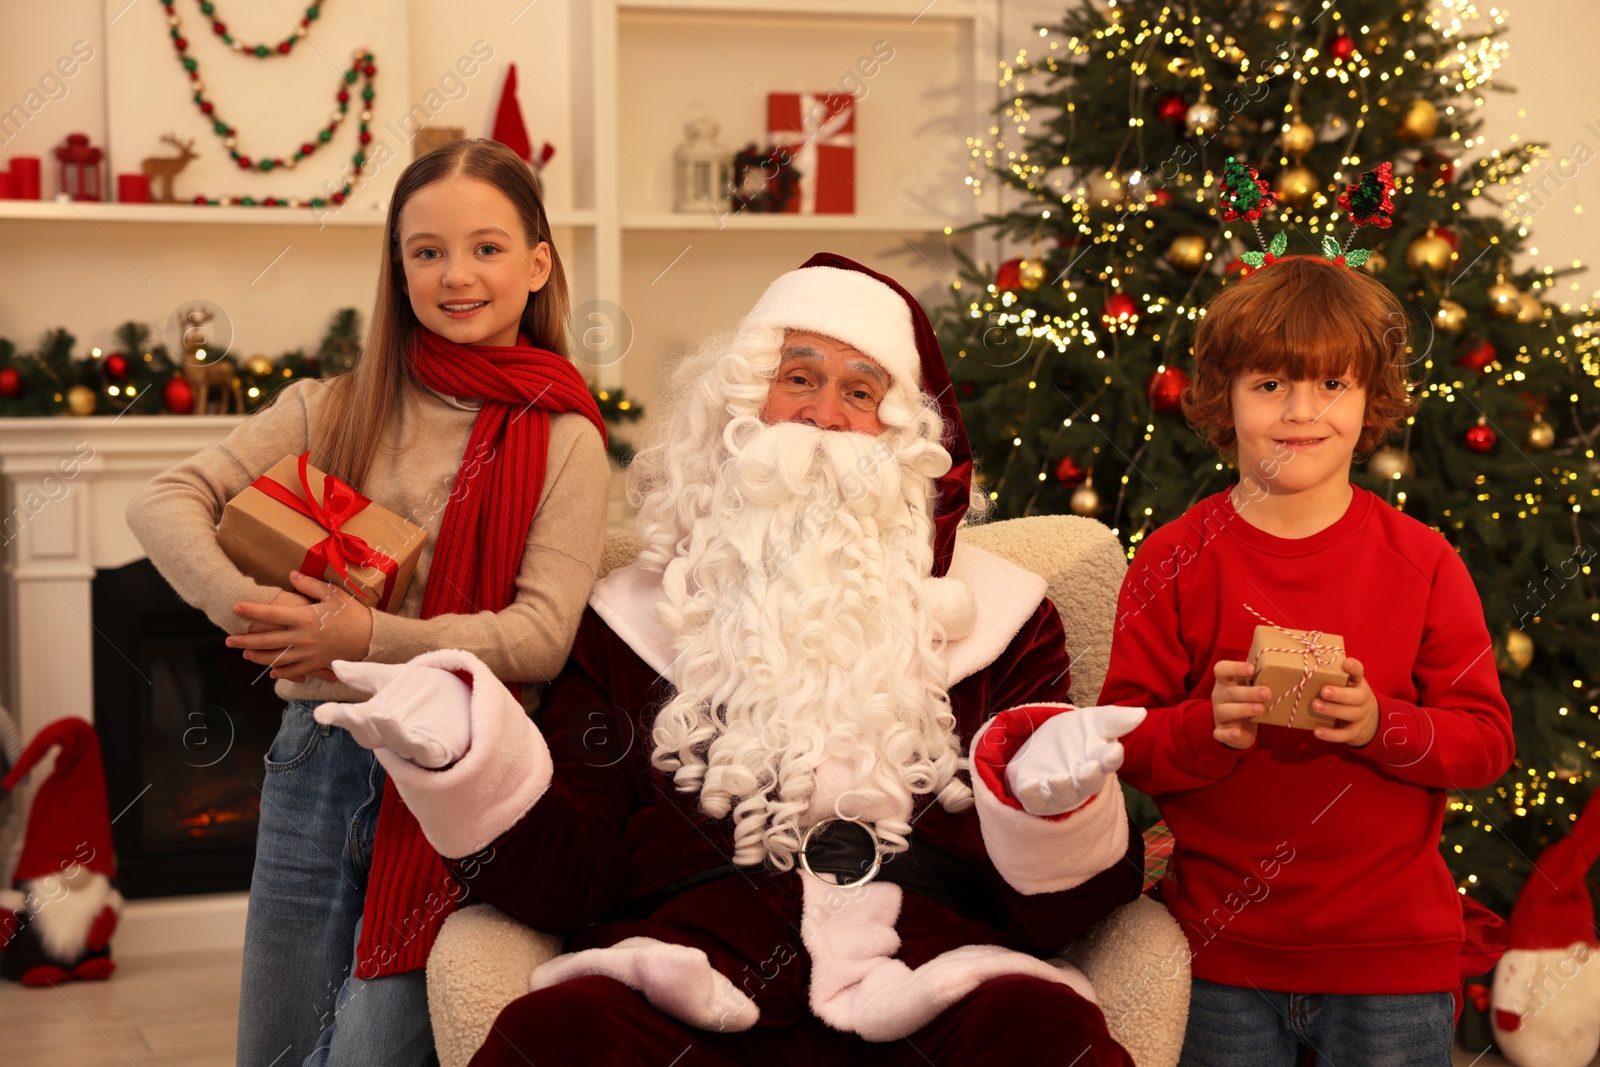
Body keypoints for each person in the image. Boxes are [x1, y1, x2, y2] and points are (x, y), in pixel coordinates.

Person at [315, 253, 1146, 1064]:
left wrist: (1055, 814)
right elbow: (569, 881)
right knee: (557, 1037)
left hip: (933, 974)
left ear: (906, 438)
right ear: (743, 401)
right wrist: (467, 759)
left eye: (861, 392)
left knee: (1046, 1034)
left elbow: (1060, 918)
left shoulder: (1008, 618)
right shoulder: (631, 621)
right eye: (800, 378)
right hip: (691, 977)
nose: (823, 414)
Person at [125, 138, 610, 1067]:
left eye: (487, 247)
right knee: (272, 1051)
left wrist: (364, 635)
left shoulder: (564, 440)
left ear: (538, 262)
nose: (455, 274)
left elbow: (541, 637)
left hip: (455, 780)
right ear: (399, 265)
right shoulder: (336, 404)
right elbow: (163, 500)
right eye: (425, 250)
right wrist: (267, 616)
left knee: (362, 1054)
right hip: (316, 757)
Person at [1100, 255, 1515, 1066]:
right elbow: (1124, 741)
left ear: (1373, 400)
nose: (1301, 412)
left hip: (1391, 960)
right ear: (1224, 397)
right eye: (1270, 386)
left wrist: (1379, 723)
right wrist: (1202, 728)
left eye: (1332, 384)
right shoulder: (1173, 559)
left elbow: (1486, 742)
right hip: (1220, 955)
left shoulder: (1423, 562)